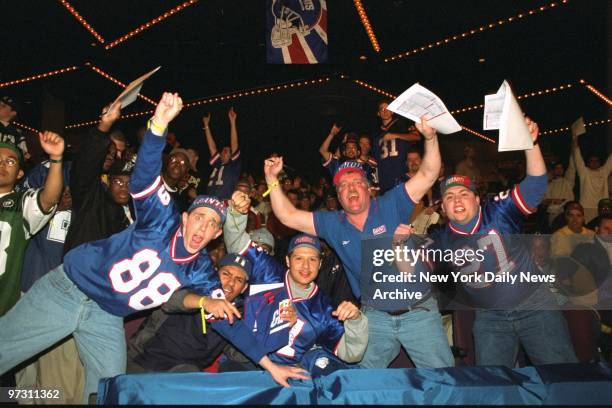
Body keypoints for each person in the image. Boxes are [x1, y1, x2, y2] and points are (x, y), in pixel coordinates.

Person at [0, 93, 305, 402]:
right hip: (68, 290)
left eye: (213, 224)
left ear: (216, 236)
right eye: (199, 218)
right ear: (185, 218)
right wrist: (159, 124)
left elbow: (229, 323)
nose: (204, 227)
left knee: (111, 391)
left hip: (105, 315)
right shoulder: (161, 219)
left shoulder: (200, 269)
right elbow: (144, 175)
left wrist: (269, 367)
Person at [263, 116, 454, 369]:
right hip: (374, 316)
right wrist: (271, 180)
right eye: (343, 185)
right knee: (362, 382)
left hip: (418, 310)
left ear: (368, 187)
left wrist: (430, 138)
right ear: (338, 195)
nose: (351, 189)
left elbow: (429, 174)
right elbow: (287, 215)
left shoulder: (391, 203)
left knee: (444, 381)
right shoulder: (333, 223)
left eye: (356, 183)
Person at [427, 117, 577, 367]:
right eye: (449, 197)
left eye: (464, 194)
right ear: (442, 207)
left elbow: (536, 185)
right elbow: (414, 271)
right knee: (494, 386)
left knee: (563, 378)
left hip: (533, 304)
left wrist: (531, 143)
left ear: (477, 199)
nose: (457, 201)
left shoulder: (498, 210)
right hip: (490, 317)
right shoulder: (440, 239)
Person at [0, 132, 65, 316]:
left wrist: (56, 158)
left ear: (20, 173)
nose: (2, 164)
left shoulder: (20, 204)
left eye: (10, 161)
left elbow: (49, 198)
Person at [372, 100, 421, 193]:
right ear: (378, 113)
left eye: (387, 108)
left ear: (392, 111)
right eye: (382, 109)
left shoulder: (402, 124)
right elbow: (376, 159)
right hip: (385, 180)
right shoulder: (376, 133)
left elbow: (417, 137)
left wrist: (395, 135)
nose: (385, 111)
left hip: (402, 176)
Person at [570, 128, 612, 223]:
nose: (594, 163)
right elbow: (577, 156)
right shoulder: (584, 172)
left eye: (596, 161)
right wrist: (575, 141)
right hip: (586, 207)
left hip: (603, 208)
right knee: (588, 233)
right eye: (591, 161)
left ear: (599, 162)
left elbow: (611, 160)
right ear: (588, 163)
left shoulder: (604, 171)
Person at [204, 108, 241, 200]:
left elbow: (234, 144)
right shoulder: (217, 164)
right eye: (223, 150)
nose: (223, 152)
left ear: (232, 155)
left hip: (223, 202)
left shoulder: (233, 166)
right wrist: (206, 126)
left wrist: (232, 122)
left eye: (227, 151)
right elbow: (212, 147)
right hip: (209, 200)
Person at [0, 96, 29, 160]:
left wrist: (24, 156)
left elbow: (23, 155)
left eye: (3, 106)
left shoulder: (17, 133)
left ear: (13, 113)